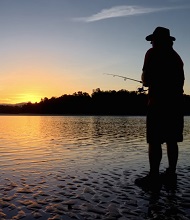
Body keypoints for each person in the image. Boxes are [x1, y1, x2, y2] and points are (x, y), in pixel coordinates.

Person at [135, 27, 185, 189]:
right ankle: (171, 174)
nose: (151, 43)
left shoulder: (152, 53)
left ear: (157, 41)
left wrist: (144, 79)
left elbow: (146, 80)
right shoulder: (177, 58)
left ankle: (154, 176)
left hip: (157, 104)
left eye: (153, 40)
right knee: (172, 140)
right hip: (176, 105)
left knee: (155, 141)